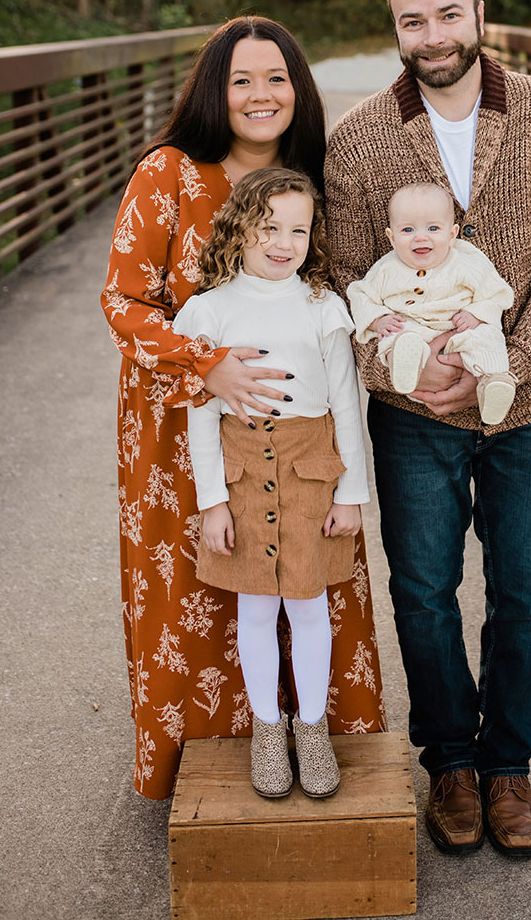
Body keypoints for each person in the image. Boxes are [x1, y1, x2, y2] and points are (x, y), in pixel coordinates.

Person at [325, 0, 531, 856]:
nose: (433, 36)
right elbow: (340, 279)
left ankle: (509, 765)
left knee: (527, 593)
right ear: (394, 29)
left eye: (448, 15)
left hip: (530, 403)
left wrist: (504, 364)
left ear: (480, 12)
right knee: (424, 592)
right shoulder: (359, 139)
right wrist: (392, 372)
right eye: (413, 21)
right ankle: (450, 761)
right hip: (412, 413)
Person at [101, 16, 385, 801]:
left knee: (305, 580)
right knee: (199, 583)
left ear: (299, 89)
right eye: (242, 81)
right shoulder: (170, 173)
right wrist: (207, 366)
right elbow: (123, 302)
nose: (262, 96)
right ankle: (213, 757)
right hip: (179, 424)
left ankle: (314, 735)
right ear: (212, 91)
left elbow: (349, 294)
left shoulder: (311, 177)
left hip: (303, 441)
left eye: (277, 79)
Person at [171, 167, 367, 799]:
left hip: (311, 471)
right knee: (255, 608)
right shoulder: (209, 309)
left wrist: (352, 494)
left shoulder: (322, 306)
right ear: (239, 230)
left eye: (299, 230)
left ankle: (311, 730)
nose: (284, 242)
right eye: (269, 228)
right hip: (243, 473)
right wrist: (213, 503)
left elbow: (346, 404)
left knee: (309, 605)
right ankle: (266, 729)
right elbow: (201, 413)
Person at [347, 181, 515, 424]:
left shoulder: (467, 261)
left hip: (460, 329)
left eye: (433, 228)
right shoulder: (386, 267)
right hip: (411, 328)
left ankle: (494, 383)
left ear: (452, 233)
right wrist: (378, 320)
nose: (420, 237)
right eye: (407, 230)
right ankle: (404, 363)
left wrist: (477, 314)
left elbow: (497, 293)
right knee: (396, 335)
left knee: (486, 338)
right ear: (391, 237)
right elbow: (361, 295)